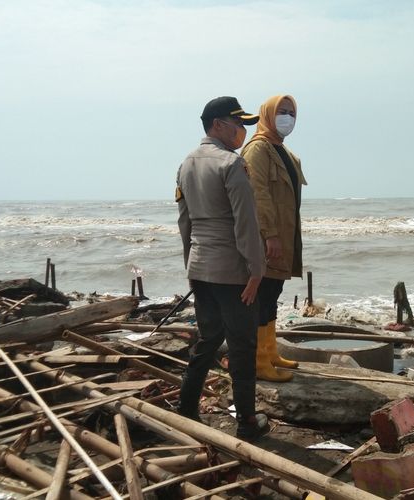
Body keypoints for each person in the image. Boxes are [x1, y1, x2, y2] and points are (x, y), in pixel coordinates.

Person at [175, 96, 269, 441]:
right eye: (238, 123)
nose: (243, 130)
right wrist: (256, 270)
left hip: (201, 266)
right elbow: (245, 223)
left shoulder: (186, 164)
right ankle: (246, 420)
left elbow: (184, 221)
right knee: (242, 345)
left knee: (208, 337)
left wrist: (190, 263)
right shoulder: (231, 164)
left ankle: (186, 408)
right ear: (218, 125)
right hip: (233, 272)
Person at [241, 95, 306, 382]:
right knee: (262, 296)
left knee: (273, 296)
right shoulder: (257, 149)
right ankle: (258, 361)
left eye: (292, 113)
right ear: (267, 114)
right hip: (267, 238)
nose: (287, 118)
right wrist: (270, 234)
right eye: (282, 112)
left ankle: (270, 352)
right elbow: (258, 195)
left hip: (284, 237)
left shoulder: (286, 153)